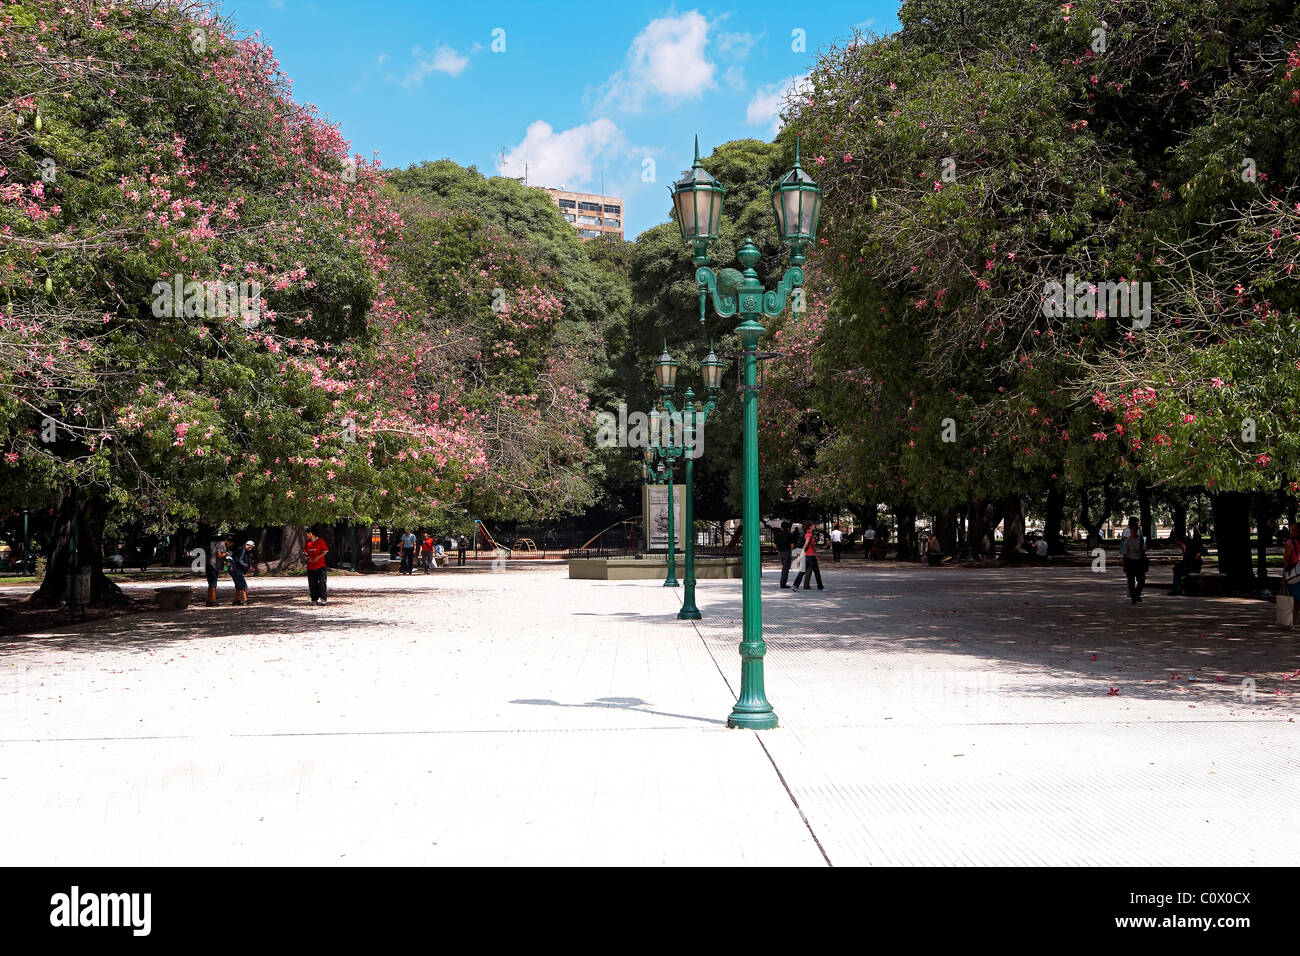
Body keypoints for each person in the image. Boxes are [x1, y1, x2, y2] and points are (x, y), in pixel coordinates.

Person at [1120, 516, 1148, 603]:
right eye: (1134, 527)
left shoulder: (1140, 539)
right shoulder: (1127, 540)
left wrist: (1141, 550)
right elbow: (1125, 554)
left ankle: (1136, 595)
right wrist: (1124, 565)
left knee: (1141, 581)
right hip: (1130, 561)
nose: (1135, 530)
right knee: (1131, 582)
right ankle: (1134, 597)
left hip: (1139, 561)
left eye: (1137, 528)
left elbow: (1143, 550)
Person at [792, 522, 824, 591]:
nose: (814, 526)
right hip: (810, 556)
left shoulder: (810, 534)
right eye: (813, 525)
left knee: (803, 571)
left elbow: (812, 547)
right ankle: (820, 586)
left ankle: (795, 585)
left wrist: (816, 554)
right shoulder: (809, 534)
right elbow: (806, 544)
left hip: (809, 555)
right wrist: (802, 553)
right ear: (810, 526)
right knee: (816, 571)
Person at [304, 529, 329, 605]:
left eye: (307, 534)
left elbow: (325, 551)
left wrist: (317, 557)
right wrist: (308, 558)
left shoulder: (320, 541)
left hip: (321, 566)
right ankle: (314, 599)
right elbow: (305, 552)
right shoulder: (307, 543)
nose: (306, 536)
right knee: (312, 584)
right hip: (310, 567)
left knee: (322, 582)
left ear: (311, 533)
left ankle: (323, 599)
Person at [769, 520, 794, 588]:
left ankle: (783, 582)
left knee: (784, 566)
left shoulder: (777, 535)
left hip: (780, 552)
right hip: (787, 552)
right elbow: (792, 545)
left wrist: (779, 548)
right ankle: (783, 583)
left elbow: (774, 546)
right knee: (786, 568)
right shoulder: (789, 535)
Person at [1283, 524, 1300, 625]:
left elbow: (1287, 559)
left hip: (1293, 574)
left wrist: (1284, 574)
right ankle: (1293, 620)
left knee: (1294, 599)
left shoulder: (1290, 543)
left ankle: (1292, 621)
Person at [228, 539, 253, 605]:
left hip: (232, 569)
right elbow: (240, 561)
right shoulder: (243, 550)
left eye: (252, 547)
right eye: (250, 547)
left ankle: (236, 601)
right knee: (243, 584)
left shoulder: (241, 549)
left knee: (238, 585)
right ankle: (245, 600)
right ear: (247, 545)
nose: (251, 548)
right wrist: (247, 566)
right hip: (236, 569)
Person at [204, 539, 227, 606]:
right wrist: (226, 554)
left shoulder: (224, 546)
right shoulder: (221, 543)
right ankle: (213, 601)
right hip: (212, 565)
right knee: (213, 584)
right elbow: (219, 555)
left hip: (215, 567)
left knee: (211, 584)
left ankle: (209, 601)